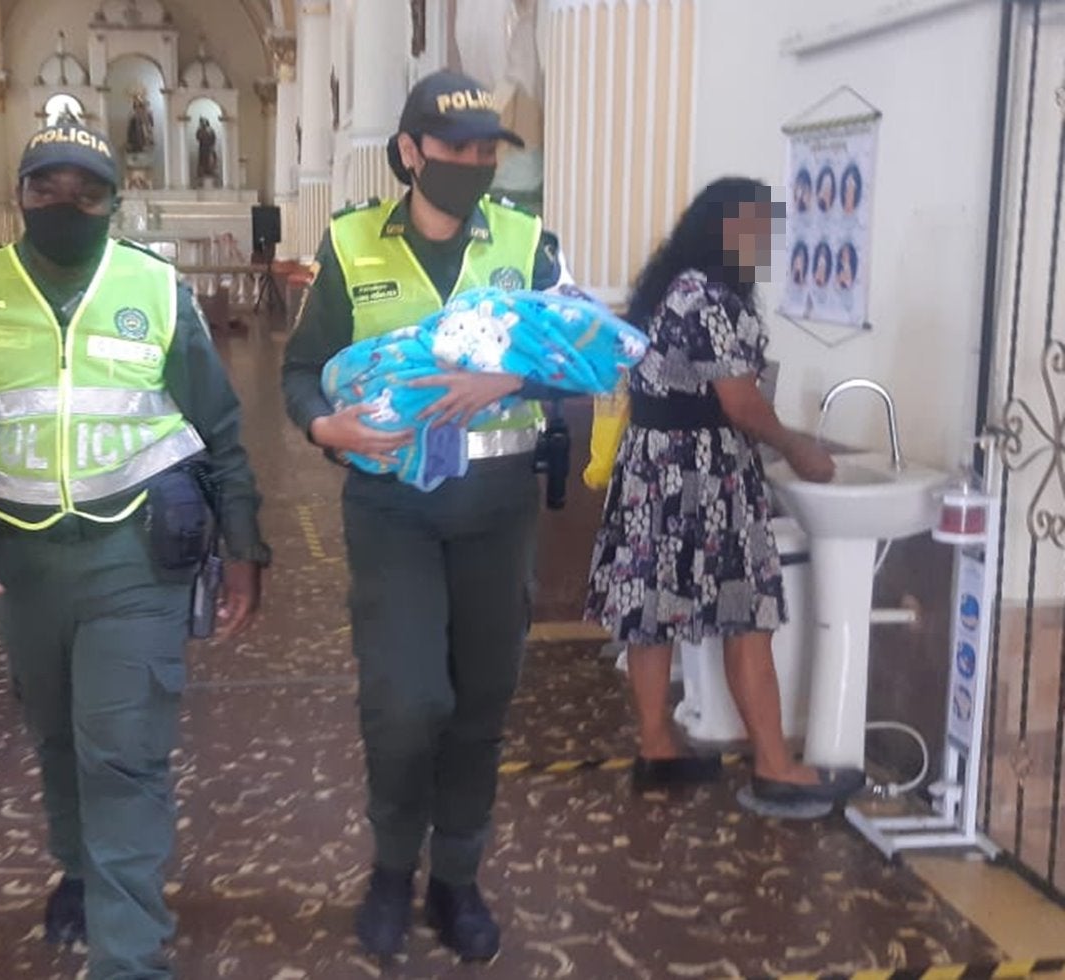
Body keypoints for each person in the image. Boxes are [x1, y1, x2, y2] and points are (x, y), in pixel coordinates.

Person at [0, 122, 270, 980]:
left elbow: (221, 425)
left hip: (134, 554)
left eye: (85, 193)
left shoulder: (157, 289)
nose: (66, 205)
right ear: (19, 194)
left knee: (122, 749)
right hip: (19, 561)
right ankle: (78, 866)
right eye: (46, 189)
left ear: (112, 201)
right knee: (57, 734)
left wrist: (243, 540)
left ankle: (128, 955)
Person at [281, 69, 573, 963]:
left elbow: (582, 355)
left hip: (497, 504)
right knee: (409, 700)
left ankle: (456, 879)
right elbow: (301, 372)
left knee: (480, 702)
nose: (476, 163)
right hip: (392, 505)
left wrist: (514, 376)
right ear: (408, 153)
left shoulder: (528, 243)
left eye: (488, 149)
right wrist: (327, 428)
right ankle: (390, 868)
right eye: (456, 150)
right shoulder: (351, 247)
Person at [583, 177, 863, 807]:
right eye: (758, 231)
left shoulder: (669, 287)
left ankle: (657, 745)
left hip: (651, 462)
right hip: (702, 472)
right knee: (747, 615)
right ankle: (773, 764)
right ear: (726, 231)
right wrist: (795, 445)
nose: (766, 244)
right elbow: (739, 403)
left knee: (649, 608)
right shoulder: (709, 295)